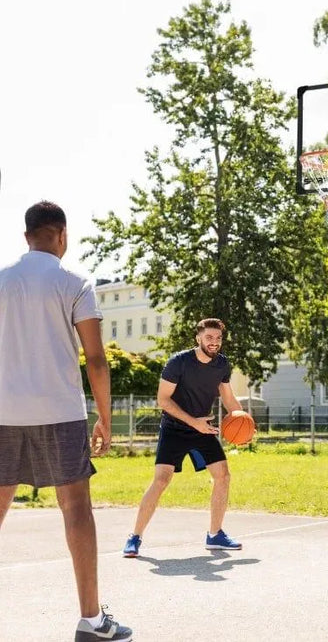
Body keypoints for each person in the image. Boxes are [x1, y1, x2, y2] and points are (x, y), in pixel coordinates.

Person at [0, 201, 132, 641]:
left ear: (26, 236)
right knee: (75, 507)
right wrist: (105, 420)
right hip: (60, 412)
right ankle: (91, 621)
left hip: (3, 412)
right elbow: (96, 359)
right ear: (61, 235)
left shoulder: (1, 282)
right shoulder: (76, 282)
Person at [123, 318, 244, 557]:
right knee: (161, 480)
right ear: (198, 338)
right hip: (175, 428)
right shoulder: (178, 362)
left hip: (203, 428)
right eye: (209, 337)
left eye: (218, 338)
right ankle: (134, 536)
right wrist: (193, 422)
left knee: (223, 476)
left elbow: (229, 399)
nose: (214, 342)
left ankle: (215, 535)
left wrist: (243, 420)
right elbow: (163, 400)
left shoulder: (222, 364)